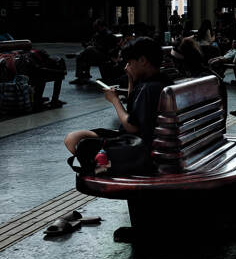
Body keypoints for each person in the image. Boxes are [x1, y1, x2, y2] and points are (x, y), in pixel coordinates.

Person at [63, 37, 172, 168]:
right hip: (144, 142)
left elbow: (132, 126)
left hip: (139, 148)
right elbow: (134, 112)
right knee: (79, 137)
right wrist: (131, 80)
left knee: (77, 142)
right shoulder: (162, 81)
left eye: (130, 63)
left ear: (142, 61)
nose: (126, 67)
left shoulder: (148, 88)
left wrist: (115, 100)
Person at [71, 19, 118, 84]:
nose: (96, 29)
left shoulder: (109, 35)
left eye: (98, 27)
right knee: (81, 57)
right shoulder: (97, 34)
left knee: (89, 49)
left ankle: (78, 54)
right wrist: (86, 44)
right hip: (96, 55)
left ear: (103, 26)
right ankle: (81, 77)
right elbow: (92, 43)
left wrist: (95, 46)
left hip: (105, 56)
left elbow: (108, 49)